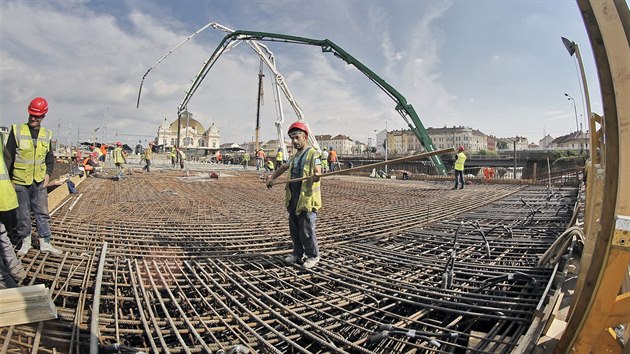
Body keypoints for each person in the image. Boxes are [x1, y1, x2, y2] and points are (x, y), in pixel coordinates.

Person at [3, 97, 62, 256]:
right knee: (22, 214)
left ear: (43, 116)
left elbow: (49, 159)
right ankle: (26, 242)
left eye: (37, 116)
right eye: (31, 115)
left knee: (42, 213)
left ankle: (45, 243)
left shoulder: (46, 134)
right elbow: (8, 158)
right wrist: (10, 181)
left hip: (39, 182)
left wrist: (48, 175)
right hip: (20, 182)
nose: (33, 118)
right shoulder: (17, 130)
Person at [266, 121, 322, 269]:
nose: (294, 141)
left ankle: (313, 256)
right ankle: (298, 253)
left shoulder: (313, 153)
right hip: (293, 199)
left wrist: (316, 174)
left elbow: (318, 169)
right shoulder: (294, 157)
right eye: (292, 138)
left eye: (297, 137)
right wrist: (272, 178)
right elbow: (283, 167)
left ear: (305, 137)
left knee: (306, 230)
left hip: (306, 199)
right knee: (295, 230)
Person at [0, 133, 27, 288]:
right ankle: (17, 271)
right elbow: (8, 160)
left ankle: (6, 284)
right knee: (2, 235)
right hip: (5, 196)